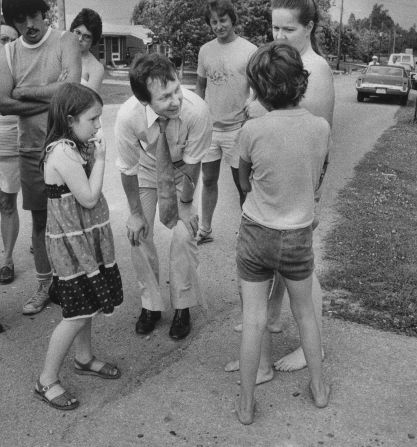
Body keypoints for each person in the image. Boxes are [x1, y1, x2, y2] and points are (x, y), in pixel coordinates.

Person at [230, 0, 335, 375]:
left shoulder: (315, 69)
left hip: (297, 189)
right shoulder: (282, 61)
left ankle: (312, 349)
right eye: (274, 28)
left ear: (309, 28)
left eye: (288, 29)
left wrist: (316, 197)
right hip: (274, 187)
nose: (278, 36)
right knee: (279, 266)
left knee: (305, 275)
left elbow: (315, 139)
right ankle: (264, 331)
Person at [34, 83, 123, 411]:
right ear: (70, 119)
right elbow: (87, 197)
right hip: (73, 245)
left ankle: (83, 359)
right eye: (93, 119)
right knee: (75, 313)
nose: (99, 125)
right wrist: (101, 159)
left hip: (84, 238)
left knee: (88, 305)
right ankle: (46, 379)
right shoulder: (63, 152)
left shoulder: (75, 145)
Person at [115, 53, 211, 340]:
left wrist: (185, 205)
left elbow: (194, 165)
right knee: (139, 233)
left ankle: (183, 305)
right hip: (146, 171)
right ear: (145, 101)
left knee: (184, 234)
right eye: (165, 97)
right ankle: (151, 304)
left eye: (176, 90)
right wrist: (134, 213)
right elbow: (127, 169)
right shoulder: (128, 116)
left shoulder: (197, 111)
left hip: (182, 173)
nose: (176, 101)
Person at [0, 0, 81, 315]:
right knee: (40, 220)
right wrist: (52, 96)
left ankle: (74, 280)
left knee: (73, 217)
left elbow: (72, 87)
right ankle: (44, 286)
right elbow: (3, 104)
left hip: (69, 145)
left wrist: (26, 90)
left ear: (43, 12)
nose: (29, 24)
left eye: (34, 15)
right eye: (21, 19)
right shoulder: (8, 52)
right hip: (31, 148)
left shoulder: (65, 40)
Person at [195, 0, 257, 244]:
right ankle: (205, 228)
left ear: (232, 20)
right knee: (208, 180)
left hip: (238, 130)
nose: (218, 26)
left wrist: (250, 109)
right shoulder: (205, 50)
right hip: (210, 130)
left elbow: (257, 90)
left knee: (242, 184)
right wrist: (197, 117)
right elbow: (200, 86)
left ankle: (249, 234)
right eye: (214, 21)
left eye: (223, 20)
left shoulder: (249, 50)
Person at [0, 24, 20, 287]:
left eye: (10, 39)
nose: (5, 43)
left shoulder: (23, 72)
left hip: (15, 147)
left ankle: (7, 259)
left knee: (7, 203)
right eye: (1, 38)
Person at [70, 8, 104, 93]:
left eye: (87, 36)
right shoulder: (60, 54)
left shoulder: (96, 68)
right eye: (78, 32)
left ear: (93, 40)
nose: (80, 39)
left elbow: (89, 103)